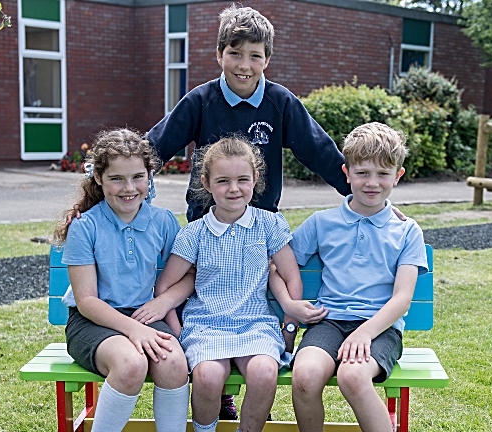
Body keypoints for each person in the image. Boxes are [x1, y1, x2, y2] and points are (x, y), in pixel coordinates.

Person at [145, 4, 352, 418]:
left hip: (261, 227)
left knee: (262, 293)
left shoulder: (280, 102)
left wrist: (364, 198)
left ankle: (263, 378)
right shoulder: (200, 101)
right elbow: (152, 148)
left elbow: (322, 153)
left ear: (267, 60)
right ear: (219, 54)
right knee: (207, 290)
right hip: (207, 223)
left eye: (255, 55)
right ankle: (217, 388)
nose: (244, 64)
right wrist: (100, 195)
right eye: (235, 53)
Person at [131, 136, 327, 432]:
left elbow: (290, 277)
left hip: (255, 322)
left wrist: (289, 327)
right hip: (206, 325)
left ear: (255, 179)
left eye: (242, 180)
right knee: (208, 377)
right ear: (207, 183)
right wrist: (177, 332)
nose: (233, 189)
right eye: (223, 181)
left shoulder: (270, 224)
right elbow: (165, 287)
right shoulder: (194, 234)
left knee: (263, 373)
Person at [284, 122, 429, 432]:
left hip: (380, 328)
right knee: (306, 375)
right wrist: (289, 304)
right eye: (362, 173)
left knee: (352, 376)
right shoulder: (322, 222)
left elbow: (402, 298)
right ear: (346, 173)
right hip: (328, 322)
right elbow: (280, 265)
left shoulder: (406, 231)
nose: (372, 183)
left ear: (397, 176)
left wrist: (365, 332)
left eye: (382, 174)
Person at [52, 129, 191, 432]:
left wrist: (163, 302)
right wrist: (134, 331)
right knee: (131, 364)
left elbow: (187, 276)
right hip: (92, 323)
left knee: (174, 364)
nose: (129, 188)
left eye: (138, 176)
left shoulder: (163, 222)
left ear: (150, 175)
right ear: (99, 178)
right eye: (116, 179)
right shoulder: (85, 226)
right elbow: (86, 301)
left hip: (144, 316)